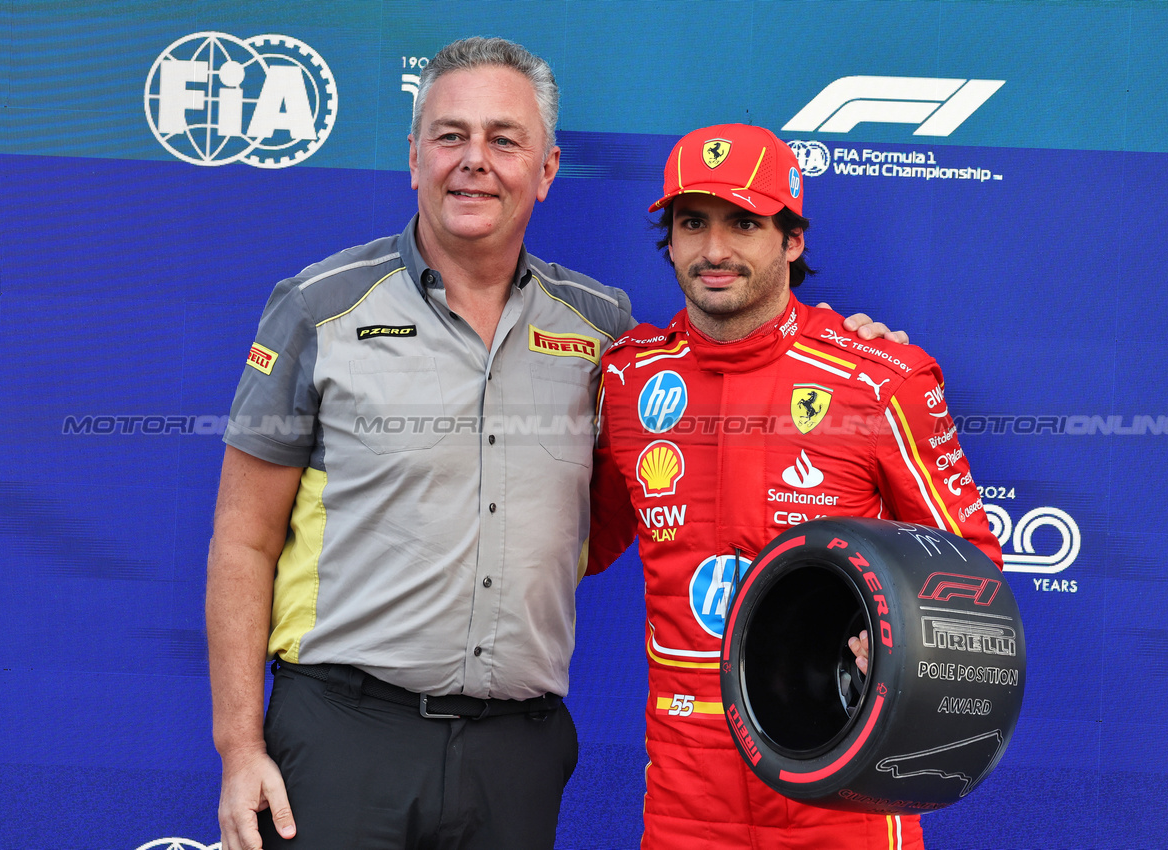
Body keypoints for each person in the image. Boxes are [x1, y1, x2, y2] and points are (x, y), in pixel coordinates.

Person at [207, 38, 905, 850]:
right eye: (449, 136)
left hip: (518, 750)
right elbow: (242, 542)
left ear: (544, 171)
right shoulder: (317, 308)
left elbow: (636, 481)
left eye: (504, 140)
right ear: (412, 157)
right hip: (343, 730)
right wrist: (240, 746)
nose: (474, 162)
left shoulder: (602, 331)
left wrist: (857, 357)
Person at [586, 124, 1004, 850]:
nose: (714, 251)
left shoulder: (878, 379)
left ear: (791, 240)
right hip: (687, 796)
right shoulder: (625, 379)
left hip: (839, 781)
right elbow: (579, 545)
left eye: (744, 223)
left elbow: (969, 569)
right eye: (693, 224)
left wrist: (902, 644)